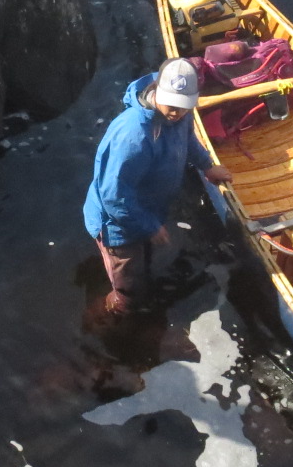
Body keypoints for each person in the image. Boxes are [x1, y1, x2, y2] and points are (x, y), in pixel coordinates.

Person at [83, 57, 233, 316]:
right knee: (128, 291)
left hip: (147, 210)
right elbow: (114, 197)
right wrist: (149, 226)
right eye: (172, 104)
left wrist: (206, 165)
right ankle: (106, 318)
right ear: (157, 91)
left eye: (184, 106)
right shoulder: (133, 136)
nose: (176, 112)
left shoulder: (179, 116)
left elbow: (187, 139)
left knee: (146, 265)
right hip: (117, 226)